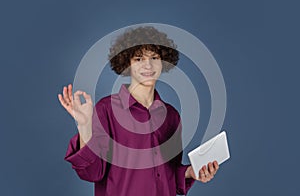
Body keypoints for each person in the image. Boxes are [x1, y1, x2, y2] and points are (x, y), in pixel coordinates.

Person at [58, 26, 219, 196]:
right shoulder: (107, 109)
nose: (148, 65)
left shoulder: (171, 116)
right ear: (127, 63)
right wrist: (84, 126)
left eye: (154, 57)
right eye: (139, 59)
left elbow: (169, 172)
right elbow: (92, 172)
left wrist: (191, 172)